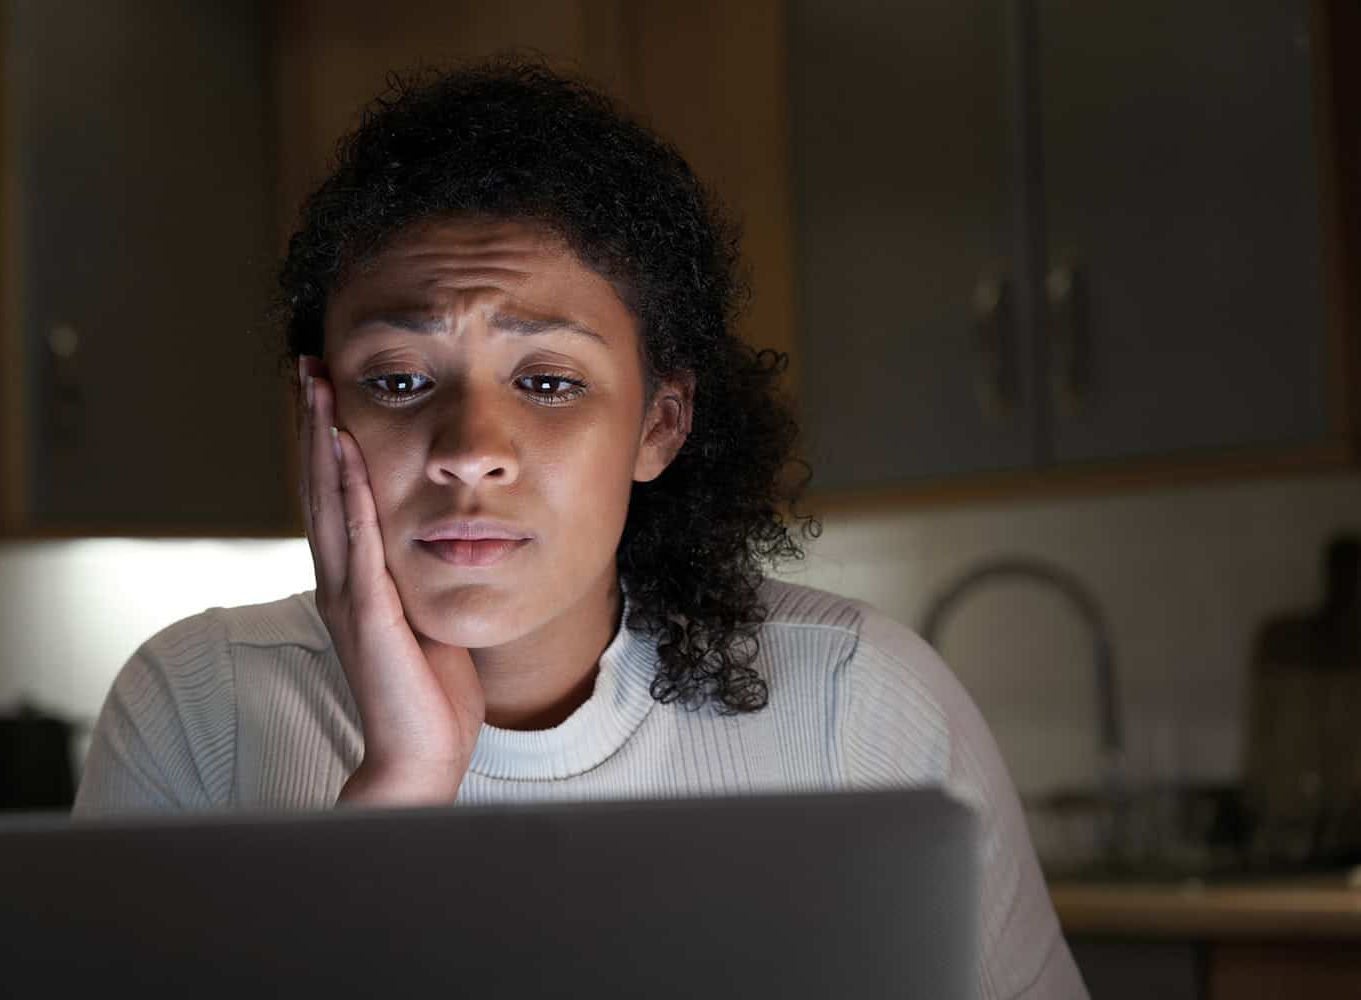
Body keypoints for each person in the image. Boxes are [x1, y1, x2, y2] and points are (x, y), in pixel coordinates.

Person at [74, 58, 1087, 998]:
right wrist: (404, 784)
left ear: (659, 424)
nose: (471, 447)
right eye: (396, 379)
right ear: (320, 406)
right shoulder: (197, 709)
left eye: (549, 382)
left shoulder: (853, 704)